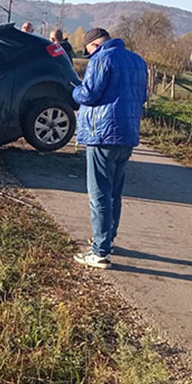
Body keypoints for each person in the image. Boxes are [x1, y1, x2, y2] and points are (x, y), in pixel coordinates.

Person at [71, 27, 148, 269]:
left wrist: (74, 89)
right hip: (128, 133)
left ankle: (100, 251)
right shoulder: (138, 61)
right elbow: (142, 96)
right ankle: (108, 238)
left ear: (92, 45)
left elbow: (89, 94)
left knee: (99, 194)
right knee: (114, 192)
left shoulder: (101, 59)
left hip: (102, 134)